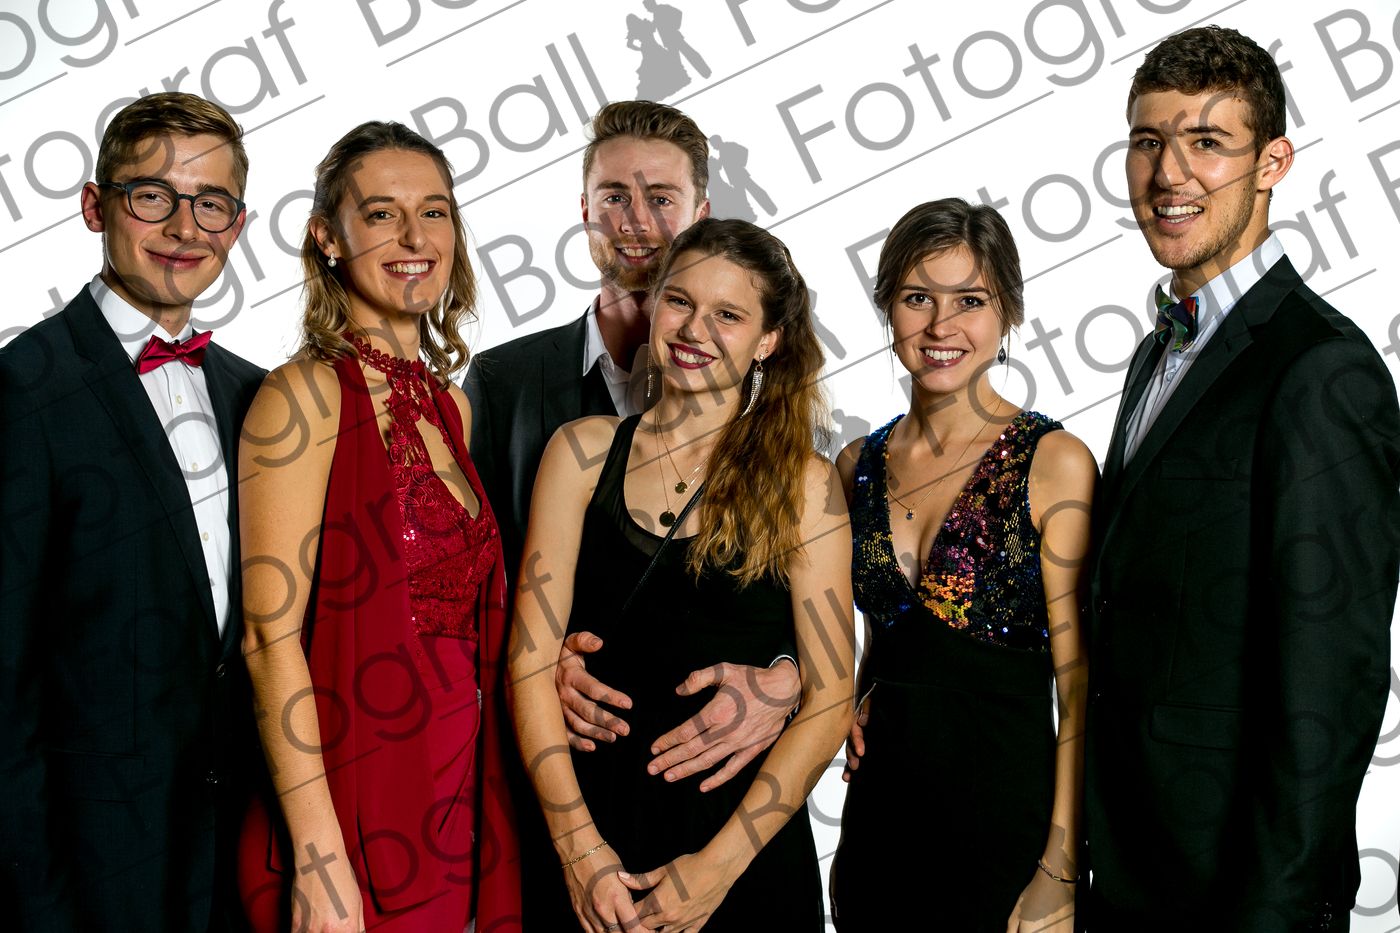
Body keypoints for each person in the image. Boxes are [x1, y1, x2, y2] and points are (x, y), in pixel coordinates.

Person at [1086, 26, 1400, 929]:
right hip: (1131, 871)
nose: (1169, 174)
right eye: (1149, 141)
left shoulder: (1321, 369)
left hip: (1237, 894)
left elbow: (1330, 685)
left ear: (1273, 163)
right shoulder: (1157, 351)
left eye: (1207, 142)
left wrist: (1273, 912)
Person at [464, 100, 803, 921]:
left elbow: (787, 604)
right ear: (583, 207)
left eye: (662, 197)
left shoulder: (778, 428)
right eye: (614, 195)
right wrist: (536, 662)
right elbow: (472, 579)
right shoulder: (504, 385)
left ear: (701, 212)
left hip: (714, 805)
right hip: (566, 779)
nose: (636, 220)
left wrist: (791, 678)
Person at [510, 217, 854, 931]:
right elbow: (528, 661)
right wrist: (579, 854)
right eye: (680, 301)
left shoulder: (806, 486)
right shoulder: (581, 452)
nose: (695, 329)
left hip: (741, 861)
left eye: (728, 314)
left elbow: (830, 697)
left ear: (768, 340)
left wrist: (716, 869)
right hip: (591, 839)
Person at [235, 121, 520, 931]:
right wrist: (318, 852)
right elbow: (267, 638)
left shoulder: (452, 405)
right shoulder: (304, 396)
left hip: (460, 797)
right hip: (351, 807)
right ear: (327, 238)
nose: (415, 238)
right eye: (382, 214)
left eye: (434, 212)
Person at [0, 92, 264, 931]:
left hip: (239, 863)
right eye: (152, 196)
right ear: (95, 205)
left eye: (210, 203)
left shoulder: (255, 394)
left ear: (237, 224)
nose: (184, 227)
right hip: (93, 874)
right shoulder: (22, 389)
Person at [830, 199, 1095, 932]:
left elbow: (1079, 688)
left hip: (1006, 836)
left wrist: (1060, 868)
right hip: (879, 831)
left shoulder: (1054, 462)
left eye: (970, 301)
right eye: (918, 298)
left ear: (1007, 311)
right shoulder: (855, 466)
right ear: (888, 307)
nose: (941, 326)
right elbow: (882, 645)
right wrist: (851, 698)